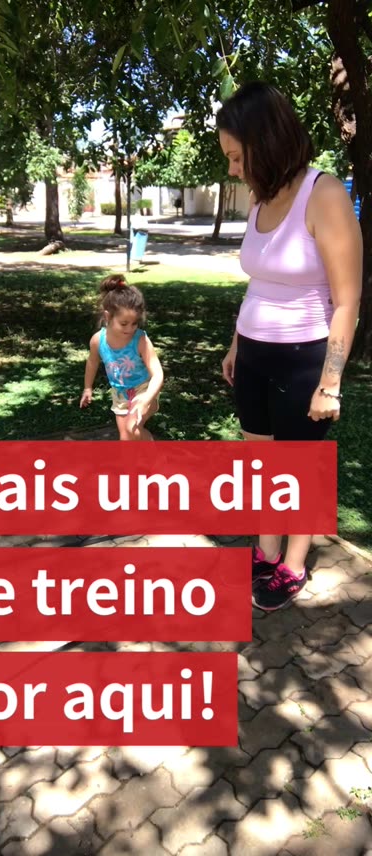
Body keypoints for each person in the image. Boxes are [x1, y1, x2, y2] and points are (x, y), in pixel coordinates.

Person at [216, 81, 362, 612]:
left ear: (268, 142)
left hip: (304, 361)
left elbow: (347, 300)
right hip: (253, 355)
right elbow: (259, 282)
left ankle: (293, 564)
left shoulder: (324, 194)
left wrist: (331, 382)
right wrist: (237, 343)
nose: (233, 169)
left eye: (237, 156)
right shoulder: (261, 197)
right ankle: (266, 548)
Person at [79, 274, 163, 440]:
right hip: (120, 394)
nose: (130, 328)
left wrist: (147, 399)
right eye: (124, 323)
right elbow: (92, 362)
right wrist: (87, 388)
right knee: (125, 438)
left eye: (134, 323)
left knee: (132, 428)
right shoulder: (97, 340)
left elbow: (158, 374)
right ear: (108, 316)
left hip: (143, 389)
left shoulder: (140, 340)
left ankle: (154, 453)